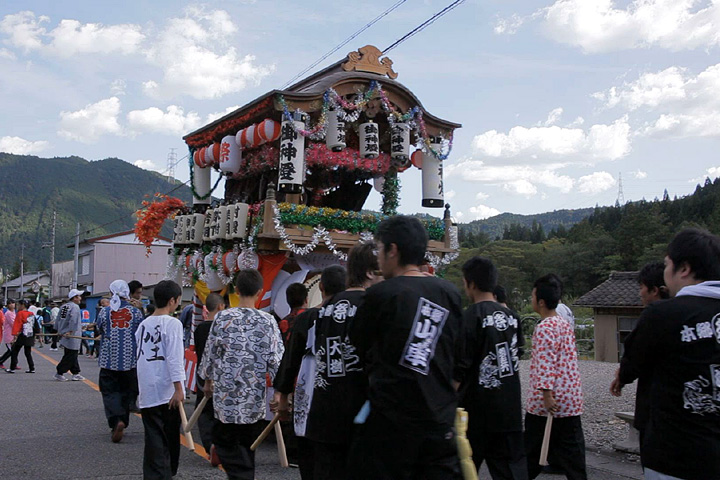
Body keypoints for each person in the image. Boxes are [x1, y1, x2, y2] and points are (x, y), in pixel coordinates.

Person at [347, 215, 466, 480]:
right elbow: (460, 358)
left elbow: (358, 346)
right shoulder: (449, 293)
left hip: (391, 424)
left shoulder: (381, 294)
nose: (378, 257)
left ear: (393, 250)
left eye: (380, 249)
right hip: (440, 423)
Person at [610, 228, 720, 480]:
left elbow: (634, 360)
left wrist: (623, 376)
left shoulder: (662, 314)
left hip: (676, 453)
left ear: (684, 269)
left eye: (667, 264)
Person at [199, 269, 284, 480]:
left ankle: (240, 476)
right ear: (260, 291)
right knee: (248, 444)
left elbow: (211, 352)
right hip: (252, 395)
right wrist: (279, 392)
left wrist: (208, 380)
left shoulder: (223, 317)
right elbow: (275, 359)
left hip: (226, 394)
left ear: (236, 290)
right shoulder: (268, 321)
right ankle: (244, 475)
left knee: (225, 440)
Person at [273, 264, 354, 479]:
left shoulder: (307, 318)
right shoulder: (354, 315)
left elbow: (290, 360)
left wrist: (282, 396)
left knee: (310, 459)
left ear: (322, 287)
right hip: (344, 400)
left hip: (309, 397)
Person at [458, 257, 528, 480]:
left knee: (464, 468)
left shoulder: (468, 317)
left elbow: (460, 366)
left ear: (471, 284)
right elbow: (517, 353)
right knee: (510, 471)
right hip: (509, 409)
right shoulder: (513, 318)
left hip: (475, 411)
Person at [524, 274, 586, 480]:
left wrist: (546, 394)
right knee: (573, 453)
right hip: (570, 398)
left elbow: (545, 362)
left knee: (530, 452)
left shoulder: (544, 328)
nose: (531, 299)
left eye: (532, 296)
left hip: (546, 403)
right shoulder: (563, 324)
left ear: (541, 302)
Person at [609, 261, 669, 453]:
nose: (639, 292)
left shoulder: (653, 315)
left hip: (655, 404)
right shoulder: (691, 313)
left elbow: (634, 353)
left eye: (642, 287)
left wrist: (622, 377)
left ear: (654, 290)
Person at [136, 280, 186, 479]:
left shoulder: (143, 324)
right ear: (172, 300)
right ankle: (166, 474)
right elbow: (174, 357)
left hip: (148, 387)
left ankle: (154, 474)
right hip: (167, 390)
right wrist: (179, 388)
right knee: (169, 437)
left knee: (153, 437)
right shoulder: (173, 323)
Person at [96, 280, 144, 443]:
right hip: (130, 359)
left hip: (109, 359)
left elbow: (100, 328)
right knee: (126, 392)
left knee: (110, 392)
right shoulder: (136, 312)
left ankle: (116, 421)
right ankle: (123, 419)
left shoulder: (105, 312)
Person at [193, 292, 225, 456]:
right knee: (220, 410)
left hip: (202, 373)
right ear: (220, 306)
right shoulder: (223, 328)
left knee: (204, 411)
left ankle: (209, 444)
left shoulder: (200, 328)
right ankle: (219, 443)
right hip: (221, 374)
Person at [55, 289, 86, 382]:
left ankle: (76, 373)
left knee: (71, 354)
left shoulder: (64, 306)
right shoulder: (75, 307)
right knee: (71, 354)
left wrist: (58, 329)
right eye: (79, 296)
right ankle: (59, 372)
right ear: (75, 298)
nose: (80, 298)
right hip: (71, 334)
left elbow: (58, 319)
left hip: (63, 332)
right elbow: (73, 320)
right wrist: (71, 331)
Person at [5, 300, 36, 373]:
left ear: (23, 305)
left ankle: (12, 368)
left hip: (22, 335)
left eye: (19, 305)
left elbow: (17, 325)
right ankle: (32, 368)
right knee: (28, 352)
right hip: (30, 334)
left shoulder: (20, 313)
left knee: (15, 351)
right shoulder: (31, 313)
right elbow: (35, 325)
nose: (17, 306)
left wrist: (15, 335)